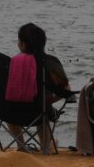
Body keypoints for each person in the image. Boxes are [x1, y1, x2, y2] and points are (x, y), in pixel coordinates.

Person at [6, 23, 69, 152]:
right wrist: (49, 100)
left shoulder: (12, 63)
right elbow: (66, 91)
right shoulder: (50, 61)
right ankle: (46, 147)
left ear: (23, 44)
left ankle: (21, 146)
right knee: (43, 108)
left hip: (10, 112)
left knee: (10, 105)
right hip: (39, 112)